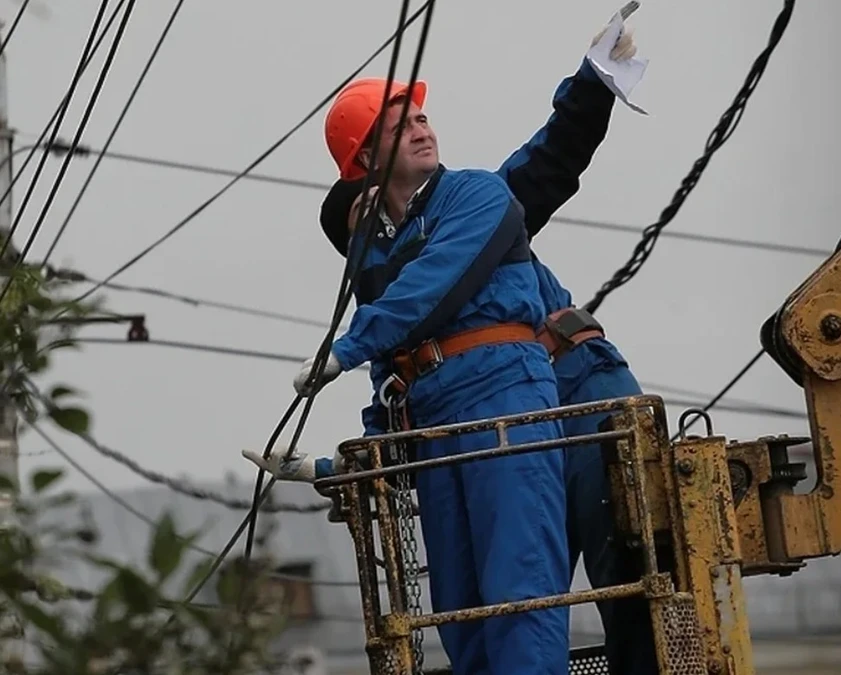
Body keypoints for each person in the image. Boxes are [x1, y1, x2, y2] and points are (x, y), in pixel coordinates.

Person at [246, 18, 660, 675]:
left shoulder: (472, 203)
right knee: (469, 601)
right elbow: (394, 403)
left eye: (365, 209)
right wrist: (331, 468)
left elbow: (550, 159)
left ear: (370, 181)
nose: (371, 226)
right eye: (359, 228)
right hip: (468, 413)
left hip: (577, 390)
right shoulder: (391, 298)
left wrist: (592, 82)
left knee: (614, 568)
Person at [282, 67, 572, 675]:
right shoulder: (379, 255)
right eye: (400, 127)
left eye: (420, 119)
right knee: (459, 608)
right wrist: (346, 464)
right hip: (434, 422)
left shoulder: (477, 196)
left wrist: (343, 349)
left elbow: (431, 288)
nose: (421, 130)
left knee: (519, 588)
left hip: (504, 401)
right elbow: (391, 380)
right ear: (367, 159)